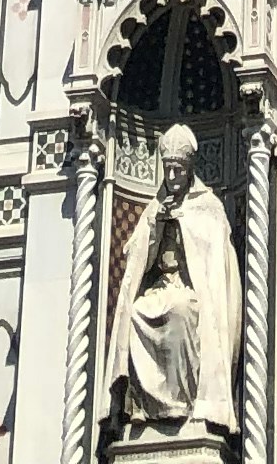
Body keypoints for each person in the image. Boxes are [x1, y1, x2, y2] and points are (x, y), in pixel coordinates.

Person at [101, 124, 241, 440]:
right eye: (169, 169)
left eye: (179, 169)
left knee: (179, 311)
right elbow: (135, 257)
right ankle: (145, 408)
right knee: (138, 312)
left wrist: (184, 224)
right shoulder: (155, 206)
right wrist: (155, 227)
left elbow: (214, 263)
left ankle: (187, 404)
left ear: (189, 169)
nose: (174, 176)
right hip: (161, 286)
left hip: (192, 292)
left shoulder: (208, 207)